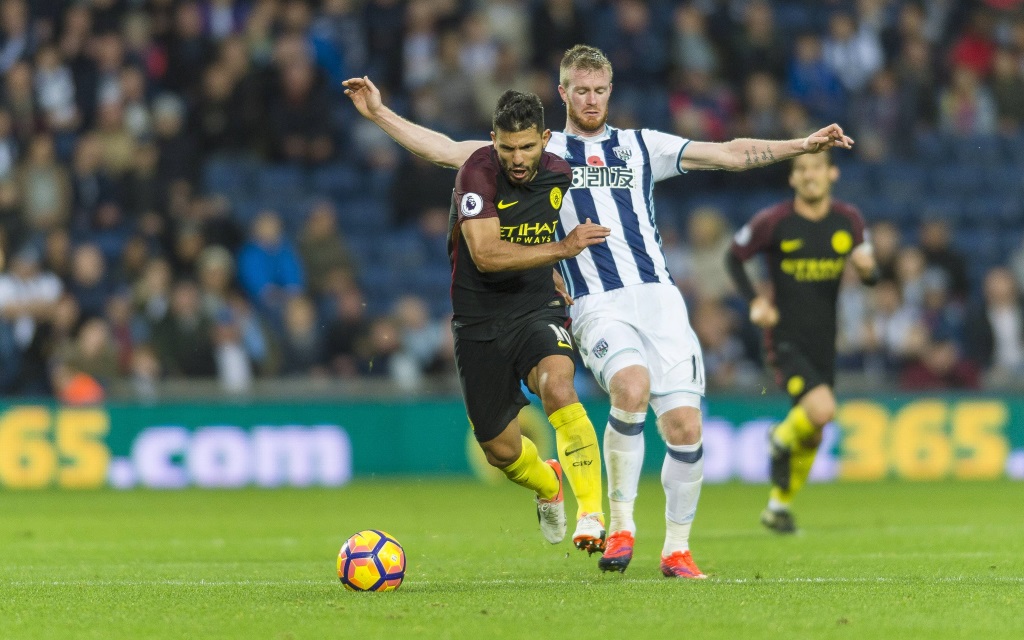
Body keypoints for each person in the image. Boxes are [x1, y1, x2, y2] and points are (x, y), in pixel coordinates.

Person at [344, 44, 853, 578]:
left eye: (600, 90)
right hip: (595, 300)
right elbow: (447, 149)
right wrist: (379, 113)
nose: (590, 100)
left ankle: (677, 550)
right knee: (629, 387)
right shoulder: (541, 149)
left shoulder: (641, 146)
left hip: (659, 298)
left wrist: (801, 144)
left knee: (684, 426)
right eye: (580, 90)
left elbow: (726, 152)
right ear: (562, 93)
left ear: (611, 93)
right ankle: (620, 527)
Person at [437, 89, 612, 550]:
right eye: (507, 147)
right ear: (492, 139)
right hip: (478, 321)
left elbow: (534, 226)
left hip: (536, 308)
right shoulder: (475, 174)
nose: (517, 158)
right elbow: (487, 253)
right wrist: (561, 250)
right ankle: (549, 483)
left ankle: (591, 514)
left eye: (528, 147)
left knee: (558, 387)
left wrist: (552, 270)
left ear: (546, 140)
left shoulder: (559, 174)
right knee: (502, 451)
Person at [726, 151, 877, 534]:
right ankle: (777, 437)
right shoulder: (774, 221)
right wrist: (756, 301)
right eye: (802, 169)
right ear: (793, 179)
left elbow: (872, 273)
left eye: (817, 169)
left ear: (832, 173)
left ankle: (778, 507)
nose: (810, 176)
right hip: (785, 337)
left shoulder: (850, 220)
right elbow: (734, 257)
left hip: (825, 340)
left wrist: (868, 270)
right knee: (823, 410)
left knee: (814, 431)